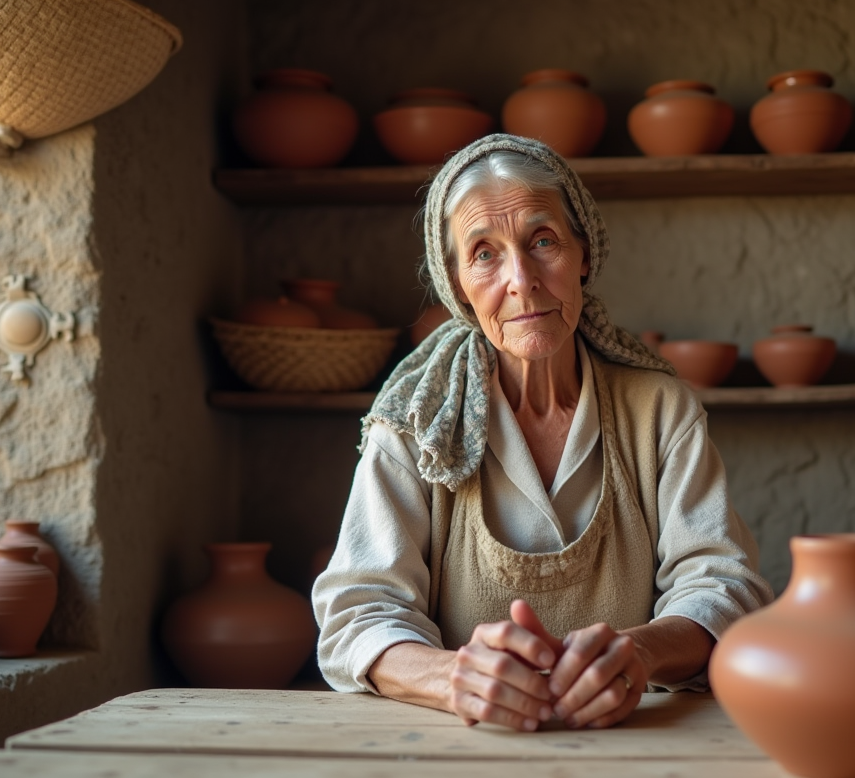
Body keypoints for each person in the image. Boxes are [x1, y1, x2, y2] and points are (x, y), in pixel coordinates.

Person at [313, 133, 773, 733]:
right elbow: (357, 614)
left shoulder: (659, 410)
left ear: (584, 255)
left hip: (634, 746)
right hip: (459, 752)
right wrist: (454, 678)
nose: (522, 280)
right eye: (484, 253)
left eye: (543, 241)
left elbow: (725, 584)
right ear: (457, 287)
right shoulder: (414, 425)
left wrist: (640, 652)